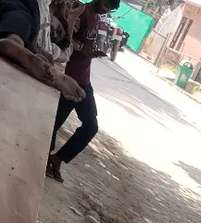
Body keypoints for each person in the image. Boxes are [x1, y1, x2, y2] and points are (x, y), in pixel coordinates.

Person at [46, 0, 120, 183]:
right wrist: (84, 50)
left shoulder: (96, 18)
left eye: (110, 9)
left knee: (91, 126)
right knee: (51, 125)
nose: (106, 10)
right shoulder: (79, 12)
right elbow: (66, 41)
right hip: (69, 79)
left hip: (84, 80)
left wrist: (92, 51)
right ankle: (43, 160)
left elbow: (85, 46)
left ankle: (57, 158)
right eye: (107, 5)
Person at [0, 0, 83, 99]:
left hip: (20, 14)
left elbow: (64, 55)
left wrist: (71, 22)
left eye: (54, 36)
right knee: (22, 22)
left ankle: (16, 43)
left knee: (24, 25)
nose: (54, 33)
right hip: (24, 10)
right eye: (59, 29)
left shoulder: (40, 31)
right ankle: (15, 43)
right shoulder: (44, 7)